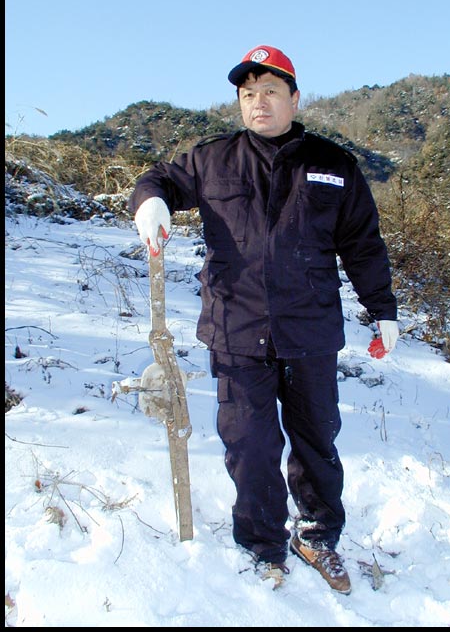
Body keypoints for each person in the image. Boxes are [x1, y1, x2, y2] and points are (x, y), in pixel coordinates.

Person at [129, 45, 399, 594]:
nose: (259, 103)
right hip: (235, 329)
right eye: (248, 94)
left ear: (295, 99)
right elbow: (158, 178)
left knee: (316, 440)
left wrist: (383, 310)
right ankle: (262, 545)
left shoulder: (333, 164)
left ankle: (318, 536)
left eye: (271, 92)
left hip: (310, 330)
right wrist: (149, 202)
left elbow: (363, 245)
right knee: (250, 444)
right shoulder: (211, 159)